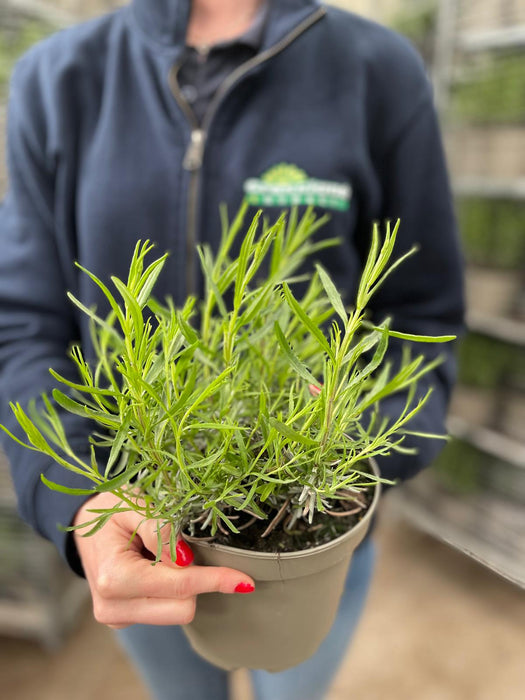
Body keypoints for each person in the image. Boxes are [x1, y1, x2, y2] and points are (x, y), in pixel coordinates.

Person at [0, 1, 464, 698]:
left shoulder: (377, 69)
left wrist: (345, 441)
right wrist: (82, 504)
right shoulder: (55, 78)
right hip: (143, 525)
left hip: (318, 534)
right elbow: (25, 324)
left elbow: (423, 319)